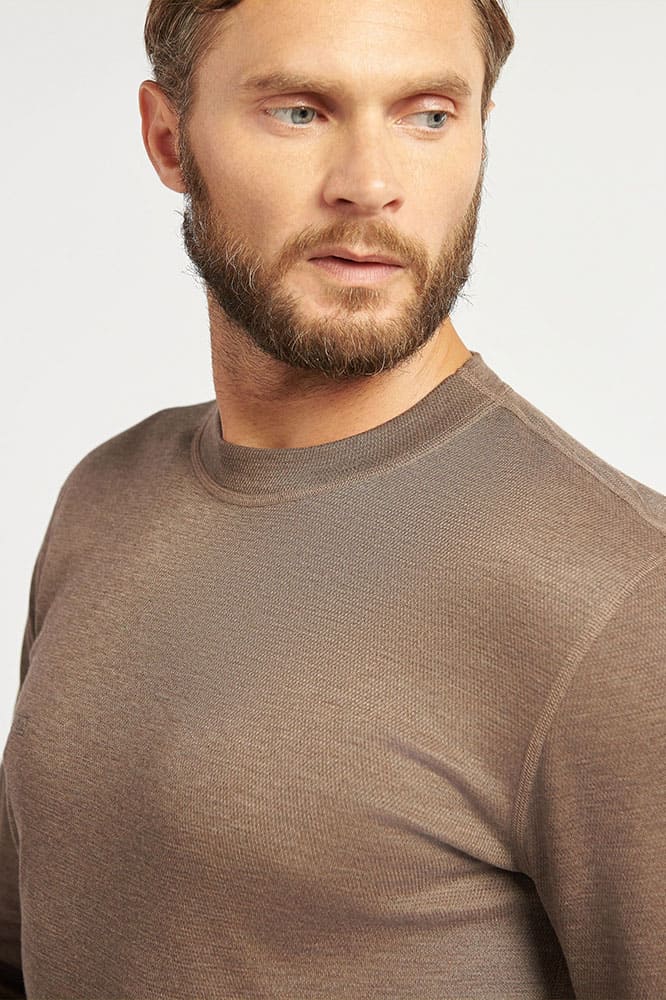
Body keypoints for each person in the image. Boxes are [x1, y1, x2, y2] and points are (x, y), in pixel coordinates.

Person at [1, 0, 664, 996]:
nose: (370, 184)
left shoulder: (623, 598)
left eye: (428, 114)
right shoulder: (106, 496)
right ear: (169, 139)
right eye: (301, 111)